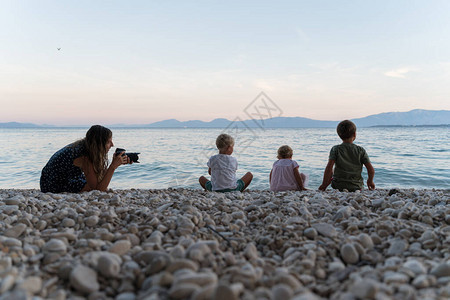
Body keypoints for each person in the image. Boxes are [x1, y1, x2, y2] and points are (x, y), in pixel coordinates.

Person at [40, 125, 130, 193]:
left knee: (94, 183)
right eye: (108, 142)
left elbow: (99, 177)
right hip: (51, 184)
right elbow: (98, 190)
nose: (112, 144)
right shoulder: (83, 156)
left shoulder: (85, 147)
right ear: (98, 144)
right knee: (92, 187)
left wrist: (116, 162)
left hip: (53, 178)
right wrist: (113, 166)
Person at [319, 120, 375, 192]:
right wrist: (370, 181)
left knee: (332, 173)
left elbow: (329, 168)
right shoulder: (360, 150)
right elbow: (371, 170)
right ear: (355, 134)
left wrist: (324, 185)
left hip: (338, 186)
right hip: (357, 186)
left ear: (339, 135)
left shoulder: (335, 149)